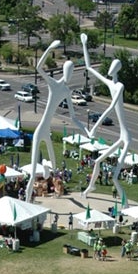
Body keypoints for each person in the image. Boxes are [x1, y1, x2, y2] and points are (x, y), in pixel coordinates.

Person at [26, 41, 89, 202]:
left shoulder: (67, 91)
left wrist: (86, 130)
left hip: (47, 131)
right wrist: (49, 48)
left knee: (54, 169)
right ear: (63, 71)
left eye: (72, 71)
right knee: (33, 172)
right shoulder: (54, 84)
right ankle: (27, 199)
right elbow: (39, 67)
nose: (69, 74)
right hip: (40, 130)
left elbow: (73, 117)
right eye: (68, 70)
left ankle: (46, 168)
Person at [81, 33, 131, 201]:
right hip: (121, 136)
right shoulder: (110, 84)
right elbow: (89, 68)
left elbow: (111, 107)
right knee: (97, 162)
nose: (110, 69)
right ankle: (90, 187)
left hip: (126, 138)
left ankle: (125, 204)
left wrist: (94, 127)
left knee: (115, 177)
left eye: (113, 66)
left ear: (117, 69)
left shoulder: (120, 86)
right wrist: (84, 44)